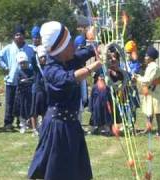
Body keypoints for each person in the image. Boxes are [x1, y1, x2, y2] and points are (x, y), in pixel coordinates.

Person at [28, 21, 102, 180]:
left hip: (71, 125)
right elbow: (67, 79)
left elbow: (86, 52)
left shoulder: (68, 60)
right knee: (58, 173)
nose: (73, 45)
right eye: (69, 43)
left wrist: (98, 47)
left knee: (75, 174)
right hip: (58, 128)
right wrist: (94, 66)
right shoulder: (50, 68)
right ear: (60, 49)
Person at [0, 25, 35, 130]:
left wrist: (31, 68)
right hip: (12, 80)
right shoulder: (8, 48)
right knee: (10, 103)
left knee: (23, 103)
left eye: (21, 35)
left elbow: (36, 59)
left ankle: (22, 122)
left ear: (24, 36)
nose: (19, 37)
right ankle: (8, 123)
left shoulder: (30, 49)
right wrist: (5, 67)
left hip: (25, 81)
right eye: (16, 35)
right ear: (13, 37)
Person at [133, 46, 160, 136]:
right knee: (149, 111)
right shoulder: (150, 66)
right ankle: (148, 128)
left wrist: (137, 77)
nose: (145, 57)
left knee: (157, 111)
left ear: (151, 57)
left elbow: (147, 80)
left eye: (147, 56)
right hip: (150, 91)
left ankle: (159, 131)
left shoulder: (154, 67)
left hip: (156, 92)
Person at [30, 45, 48, 136]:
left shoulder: (47, 67)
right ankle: (34, 129)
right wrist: (35, 52)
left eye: (45, 57)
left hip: (45, 92)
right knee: (34, 111)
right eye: (42, 57)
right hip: (36, 91)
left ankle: (43, 127)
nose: (43, 59)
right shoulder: (37, 68)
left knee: (44, 111)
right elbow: (33, 60)